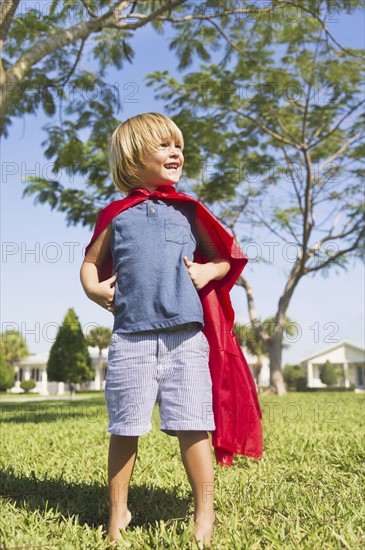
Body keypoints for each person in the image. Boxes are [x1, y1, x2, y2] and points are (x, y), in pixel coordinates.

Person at [80, 112, 262, 548]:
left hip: (186, 337)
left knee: (193, 424)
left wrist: (207, 271)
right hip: (131, 338)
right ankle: (118, 510)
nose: (176, 151)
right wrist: (92, 288)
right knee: (125, 427)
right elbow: (90, 262)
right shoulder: (116, 216)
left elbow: (226, 257)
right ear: (132, 158)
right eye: (163, 145)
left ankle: (205, 511)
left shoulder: (188, 210)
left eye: (177, 145)